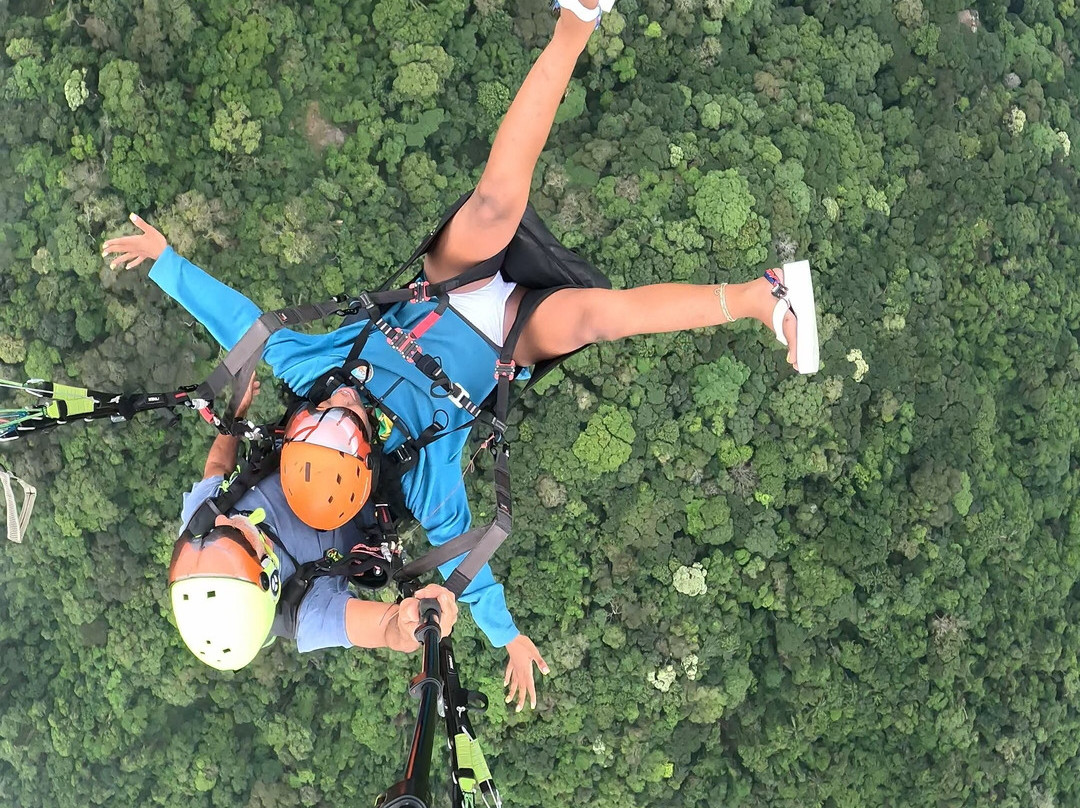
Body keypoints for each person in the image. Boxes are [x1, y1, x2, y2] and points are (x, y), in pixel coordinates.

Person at [104, 0, 818, 711]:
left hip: (445, 288)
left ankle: (579, 18)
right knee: (596, 319)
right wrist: (465, 631)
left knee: (491, 210)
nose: (341, 403)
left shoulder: (273, 421)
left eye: (321, 413)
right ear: (260, 571)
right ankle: (762, 296)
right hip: (504, 340)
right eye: (348, 423)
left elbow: (239, 334)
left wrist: (171, 268)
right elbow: (427, 587)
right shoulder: (408, 495)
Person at [170, 377, 460, 671]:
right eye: (235, 535)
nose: (223, 519)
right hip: (374, 485)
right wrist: (412, 624)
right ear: (267, 574)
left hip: (315, 433)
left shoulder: (200, 531)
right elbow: (386, 629)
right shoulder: (305, 611)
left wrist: (236, 412)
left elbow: (218, 468)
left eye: (213, 534)